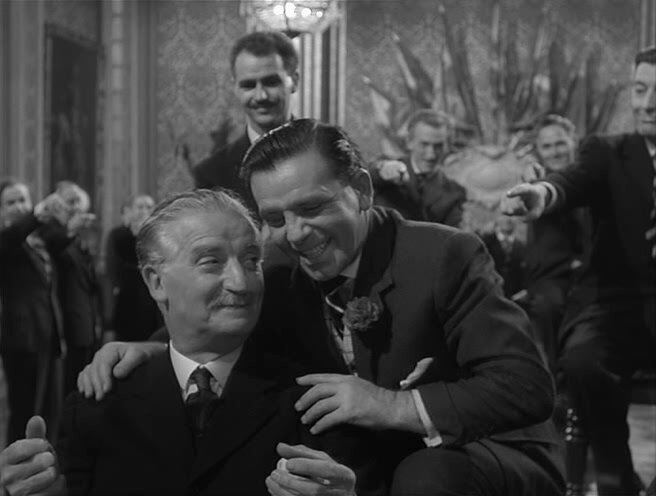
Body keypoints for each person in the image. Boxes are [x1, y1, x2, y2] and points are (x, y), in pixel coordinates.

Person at [78, 120, 565, 496]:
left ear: (363, 190)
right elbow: (222, 313)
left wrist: (390, 405)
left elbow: (526, 387)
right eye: (275, 218)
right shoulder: (277, 268)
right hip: (365, 461)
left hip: (482, 452)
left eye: (311, 208)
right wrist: (153, 351)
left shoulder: (445, 255)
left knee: (424, 477)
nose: (295, 234)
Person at [0, 189, 384, 496]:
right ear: (156, 282)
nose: (241, 282)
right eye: (211, 262)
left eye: (252, 260)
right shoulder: (96, 404)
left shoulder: (314, 401)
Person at [503, 47, 656, 495]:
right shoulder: (608, 151)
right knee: (582, 362)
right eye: (640, 90)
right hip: (612, 306)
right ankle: (615, 477)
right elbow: (569, 183)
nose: (647, 104)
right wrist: (542, 193)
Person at [192, 30, 299, 212]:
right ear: (235, 88)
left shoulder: (326, 153)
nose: (260, 96)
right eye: (248, 85)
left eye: (271, 82)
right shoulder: (212, 174)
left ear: (294, 81)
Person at [0, 180, 70, 444]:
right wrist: (37, 214)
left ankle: (45, 463)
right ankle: (16, 468)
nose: (18, 206)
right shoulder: (7, 240)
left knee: (50, 411)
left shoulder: (37, 242)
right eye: (11, 202)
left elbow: (61, 243)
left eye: (22, 200)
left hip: (49, 337)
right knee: (24, 415)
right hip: (22, 341)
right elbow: (13, 236)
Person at [521, 115, 587, 370]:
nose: (555, 152)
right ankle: (555, 379)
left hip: (591, 270)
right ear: (538, 150)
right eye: (546, 146)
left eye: (560, 143)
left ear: (573, 142)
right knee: (548, 306)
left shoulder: (591, 177)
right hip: (551, 276)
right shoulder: (537, 183)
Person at [370, 109, 466, 227]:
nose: (431, 154)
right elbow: (369, 173)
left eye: (438, 146)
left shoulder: (456, 193)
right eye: (424, 144)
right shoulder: (386, 168)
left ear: (448, 147)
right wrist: (384, 170)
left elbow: (452, 234)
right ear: (409, 142)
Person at [53, 181, 102, 394]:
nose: (74, 207)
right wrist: (70, 230)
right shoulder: (53, 235)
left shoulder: (80, 240)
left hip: (86, 325)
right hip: (65, 327)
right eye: (69, 202)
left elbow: (91, 286)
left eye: (78, 203)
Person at [105, 194, 163, 342]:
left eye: (149, 207)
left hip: (154, 299)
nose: (144, 211)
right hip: (128, 298)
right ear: (130, 210)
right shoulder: (118, 235)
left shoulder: (160, 235)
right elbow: (115, 268)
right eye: (140, 207)